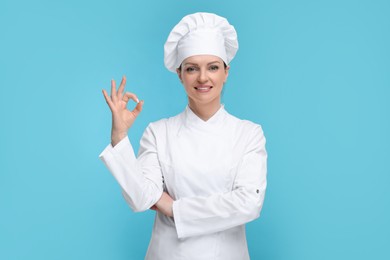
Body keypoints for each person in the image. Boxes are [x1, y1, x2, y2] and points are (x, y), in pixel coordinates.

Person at [99, 12, 267, 260]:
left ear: (226, 72)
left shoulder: (248, 133)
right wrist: (119, 136)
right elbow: (140, 198)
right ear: (179, 74)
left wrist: (174, 208)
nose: (202, 77)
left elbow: (248, 204)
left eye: (212, 67)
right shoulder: (159, 132)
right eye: (191, 68)